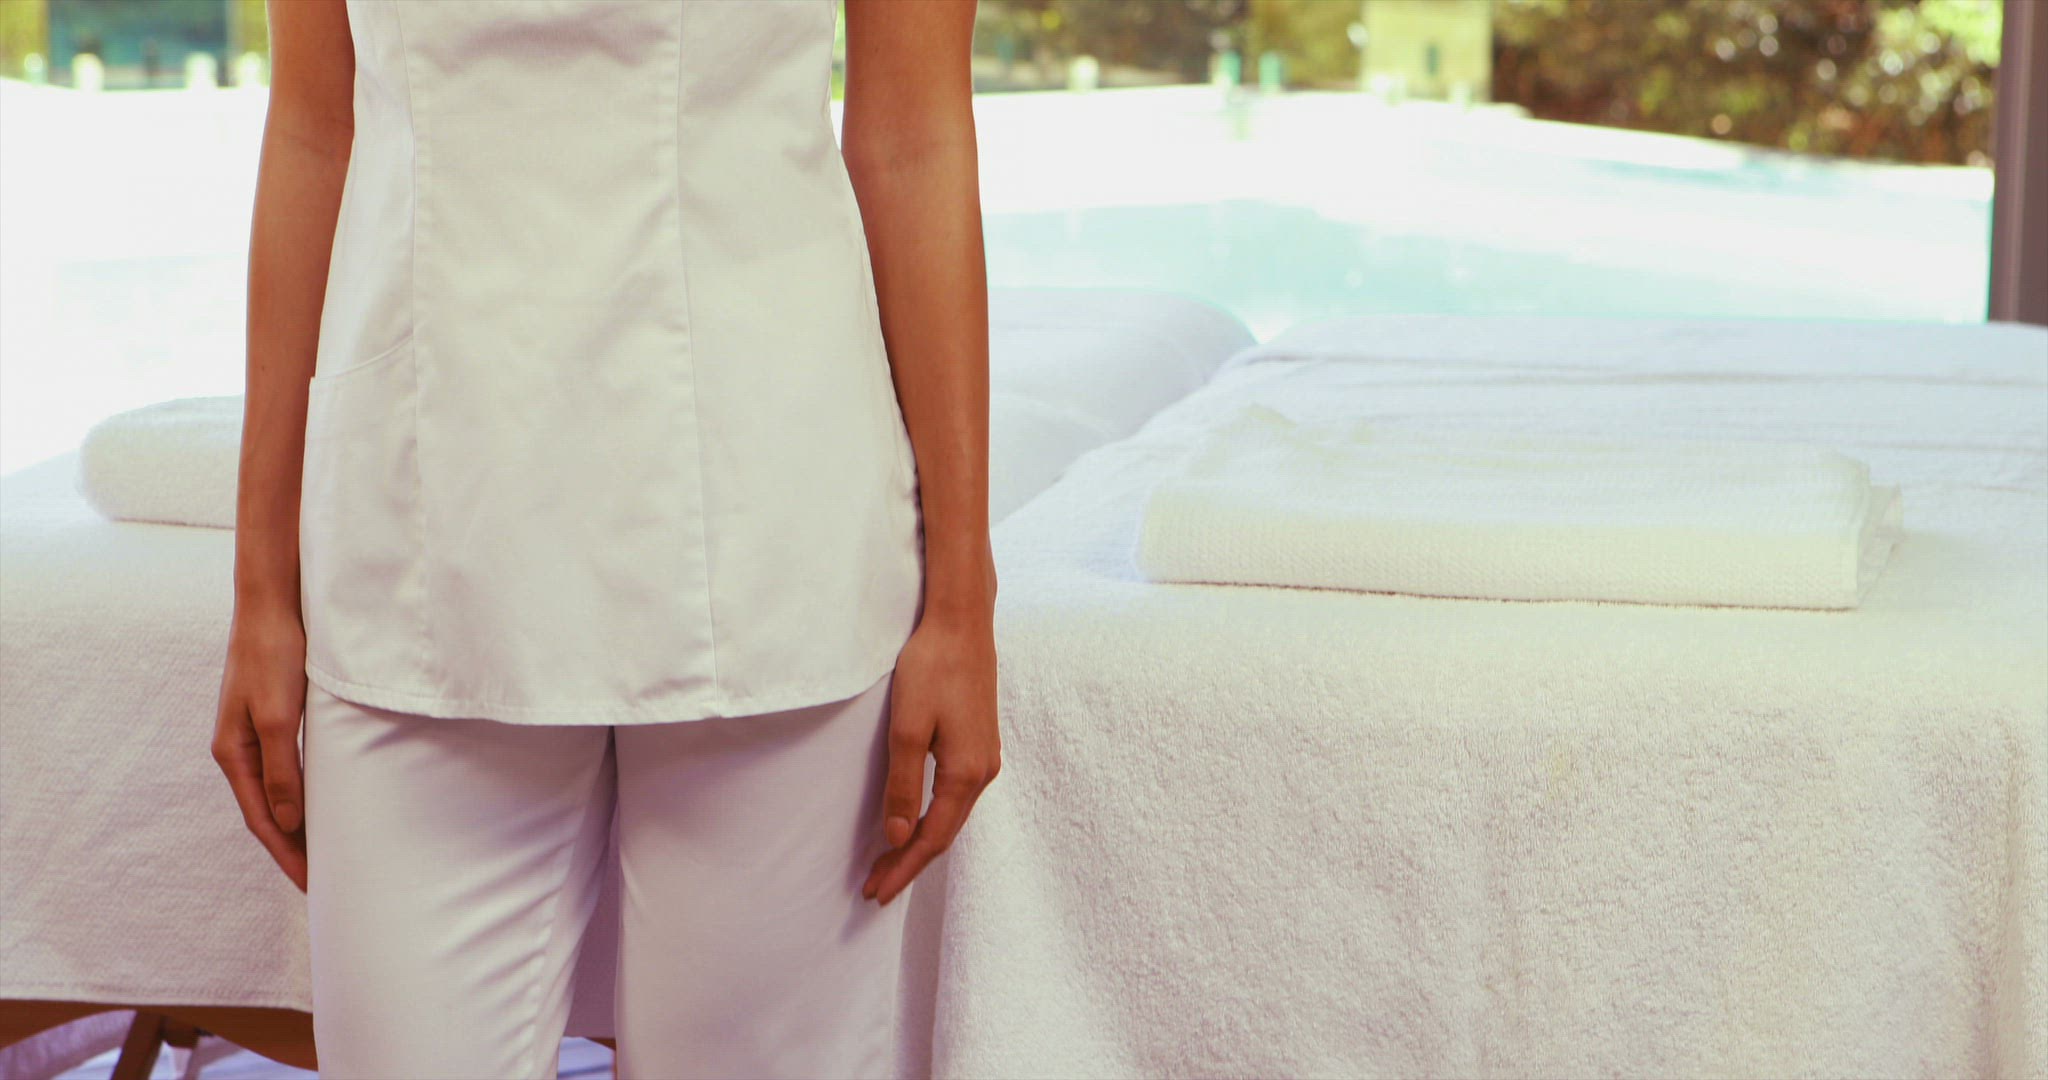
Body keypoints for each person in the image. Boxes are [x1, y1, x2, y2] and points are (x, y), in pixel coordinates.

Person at [210, 0, 999, 1076]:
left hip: (775, 528)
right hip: (421, 542)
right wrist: (260, 585)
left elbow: (913, 138)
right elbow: (314, 128)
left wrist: (962, 601)